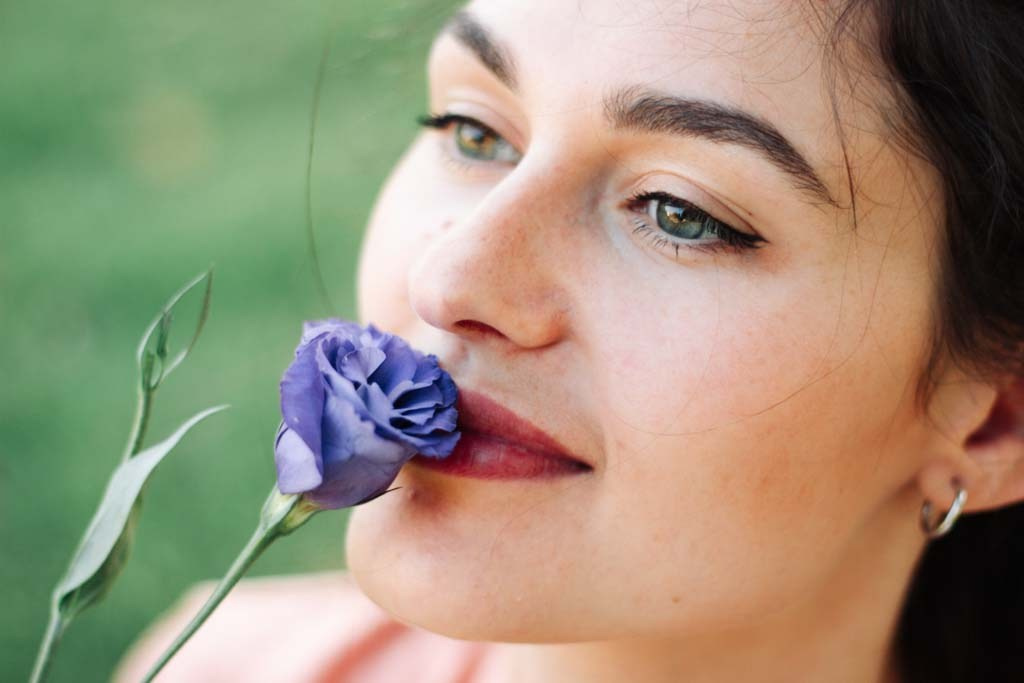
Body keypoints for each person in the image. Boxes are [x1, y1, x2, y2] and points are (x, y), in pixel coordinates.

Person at [116, 1, 1024, 681]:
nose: (449, 281)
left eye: (680, 212)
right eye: (474, 133)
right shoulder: (219, 661)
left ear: (996, 421)